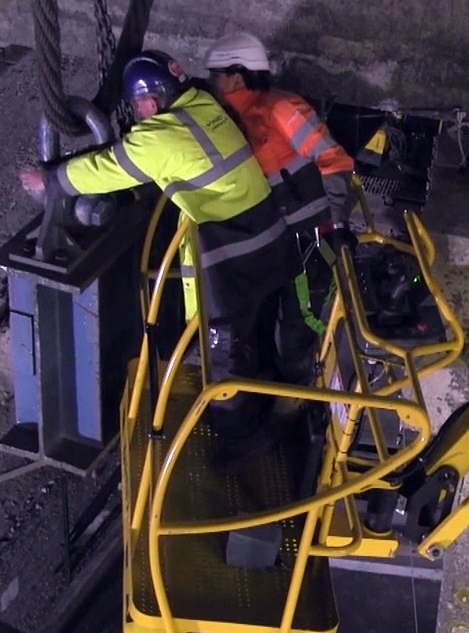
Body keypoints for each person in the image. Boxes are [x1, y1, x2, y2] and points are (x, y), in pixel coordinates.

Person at [18, 50, 297, 471]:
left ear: (151, 101)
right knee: (255, 329)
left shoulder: (158, 138)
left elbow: (110, 167)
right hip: (268, 239)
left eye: (139, 105)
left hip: (232, 253)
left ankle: (240, 441)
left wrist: (52, 178)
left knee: (220, 351)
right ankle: (274, 397)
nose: (138, 113)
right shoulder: (203, 104)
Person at [203, 32, 358, 383]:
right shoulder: (227, 121)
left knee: (298, 329)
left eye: (216, 75)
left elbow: (333, 160)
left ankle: (295, 406)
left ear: (237, 77)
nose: (212, 83)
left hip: (311, 240)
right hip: (272, 242)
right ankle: (271, 395)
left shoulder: (281, 109)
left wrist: (337, 226)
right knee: (260, 324)